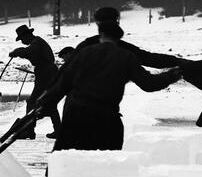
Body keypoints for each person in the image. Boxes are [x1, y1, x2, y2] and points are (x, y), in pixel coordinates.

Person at [38, 20, 185, 152]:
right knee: (106, 164)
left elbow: (62, 83)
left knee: (65, 161)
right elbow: (149, 84)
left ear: (100, 35)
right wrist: (173, 75)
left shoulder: (84, 53)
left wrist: (43, 105)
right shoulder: (126, 56)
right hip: (106, 118)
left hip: (76, 117)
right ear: (119, 37)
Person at [73, 6, 185, 69]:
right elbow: (150, 60)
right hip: (106, 107)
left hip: (76, 107)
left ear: (97, 23)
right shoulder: (123, 50)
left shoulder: (84, 47)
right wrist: (181, 63)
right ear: (117, 21)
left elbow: (63, 79)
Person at [9, 24, 62, 138]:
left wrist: (18, 51)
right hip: (46, 73)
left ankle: (29, 130)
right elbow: (29, 53)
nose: (22, 41)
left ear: (27, 35)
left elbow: (29, 52)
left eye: (22, 39)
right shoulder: (36, 43)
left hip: (46, 74)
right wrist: (20, 52)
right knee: (49, 103)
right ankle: (57, 130)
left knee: (33, 102)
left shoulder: (36, 43)